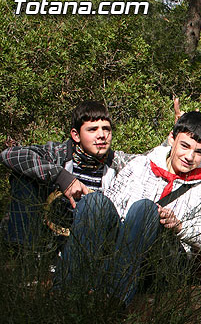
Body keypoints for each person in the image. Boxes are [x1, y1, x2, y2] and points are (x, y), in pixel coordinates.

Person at [58, 111, 201, 305]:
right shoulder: (139, 166)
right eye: (185, 146)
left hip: (162, 263)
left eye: (199, 152)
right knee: (95, 201)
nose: (190, 157)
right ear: (172, 139)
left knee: (146, 209)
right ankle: (65, 293)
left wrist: (180, 226)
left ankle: (113, 301)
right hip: (121, 250)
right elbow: (110, 205)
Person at [0, 100, 135, 246]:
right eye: (92, 129)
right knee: (23, 177)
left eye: (106, 129)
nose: (102, 135)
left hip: (96, 241)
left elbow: (149, 160)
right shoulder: (58, 154)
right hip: (48, 235)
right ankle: (21, 251)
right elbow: (9, 155)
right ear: (76, 135)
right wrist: (62, 178)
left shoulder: (118, 162)